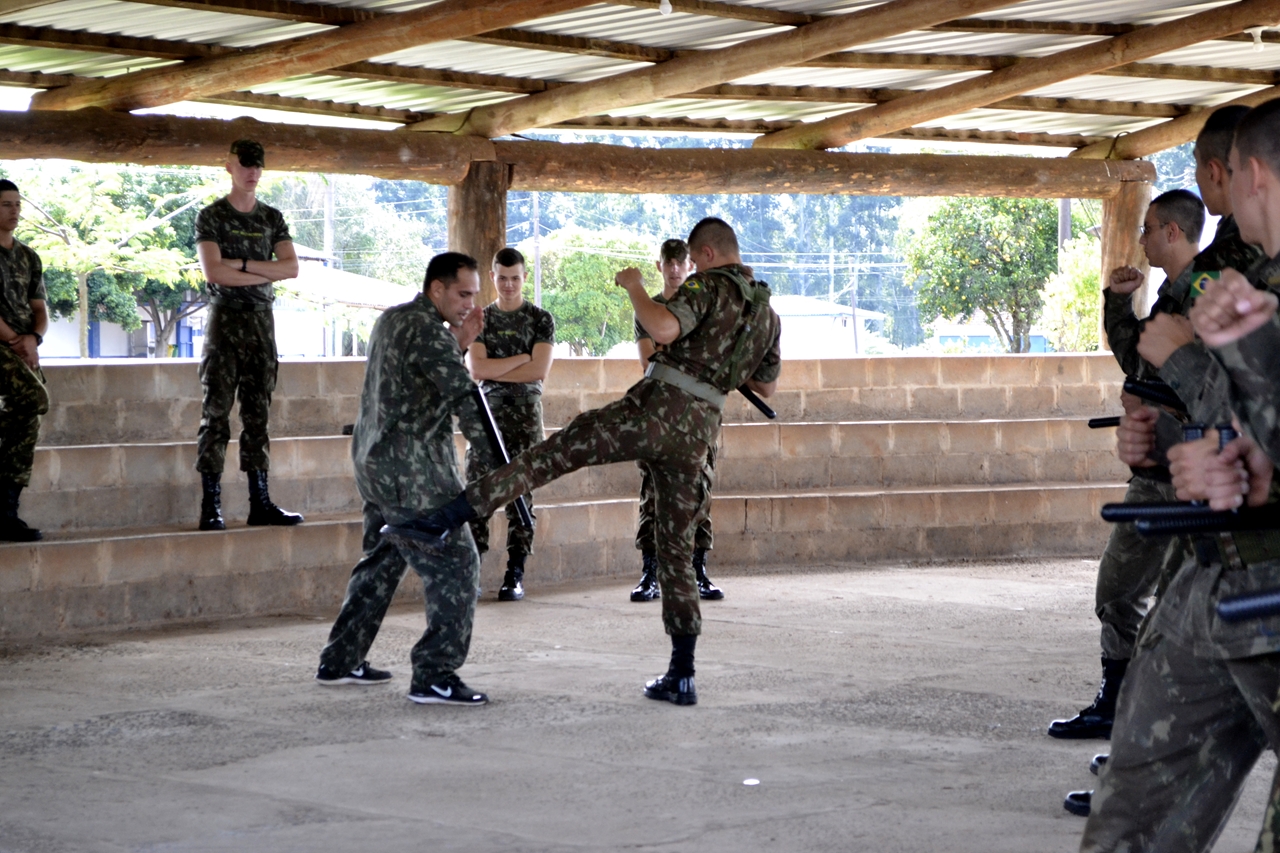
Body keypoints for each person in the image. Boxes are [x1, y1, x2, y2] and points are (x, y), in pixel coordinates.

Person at [383, 218, 781, 707]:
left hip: (657, 409)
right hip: (700, 432)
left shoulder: (708, 284)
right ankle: (682, 673)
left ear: (709, 254)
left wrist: (636, 287)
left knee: (557, 451)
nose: (693, 267)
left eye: (696, 260)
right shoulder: (767, 315)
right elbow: (765, 388)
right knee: (675, 546)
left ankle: (448, 518)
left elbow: (662, 326)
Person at [1080, 97, 1280, 852]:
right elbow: (1238, 414)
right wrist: (1176, 440)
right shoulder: (1240, 278)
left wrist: (1202, 380)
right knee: (1131, 821)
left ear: (1247, 174)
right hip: (1219, 578)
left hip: (1265, 580)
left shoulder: (1238, 285)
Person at [1050, 189, 1209, 747]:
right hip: (1159, 473)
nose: (1139, 240)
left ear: (1170, 232)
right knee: (1127, 594)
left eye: (1147, 229)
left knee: (1151, 601)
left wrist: (1157, 405)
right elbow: (1141, 362)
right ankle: (1123, 708)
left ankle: (1141, 716)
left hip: (1184, 478)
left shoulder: (1203, 297)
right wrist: (1120, 302)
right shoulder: (1172, 296)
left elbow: (1214, 389)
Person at [315, 252, 495, 706]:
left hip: (375, 464)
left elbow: (418, 377)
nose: (470, 305)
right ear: (436, 288)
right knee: (457, 563)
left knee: (381, 561)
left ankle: (340, 660)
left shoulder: (396, 321)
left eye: (475, 296)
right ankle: (434, 674)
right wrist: (502, 465)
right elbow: (463, 395)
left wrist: (459, 340)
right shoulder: (426, 331)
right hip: (412, 474)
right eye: (463, 294)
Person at [194, 139, 302, 532]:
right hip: (225, 320)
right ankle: (212, 504)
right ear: (229, 166)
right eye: (245, 165)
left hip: (261, 320)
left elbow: (290, 269)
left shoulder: (272, 217)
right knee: (216, 415)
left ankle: (260, 502)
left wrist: (239, 264)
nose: (252, 173)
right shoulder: (212, 216)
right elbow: (213, 273)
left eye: (258, 166)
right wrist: (262, 270)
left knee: (258, 415)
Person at [631, 237, 723, 603]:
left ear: (690, 266)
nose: (673, 269)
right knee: (652, 493)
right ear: (659, 267)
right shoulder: (648, 308)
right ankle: (649, 572)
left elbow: (708, 360)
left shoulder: (702, 306)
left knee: (700, 489)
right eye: (667, 263)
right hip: (657, 411)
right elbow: (648, 361)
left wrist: (671, 349)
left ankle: (698, 569)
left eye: (679, 262)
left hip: (698, 413)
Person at [465, 247, 555, 602]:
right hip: (488, 416)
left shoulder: (540, 318)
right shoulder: (479, 319)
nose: (508, 285)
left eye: (515, 278)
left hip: (526, 416)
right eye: (502, 278)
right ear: (492, 277)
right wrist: (521, 357)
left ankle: (514, 573)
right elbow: (477, 370)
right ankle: (471, 573)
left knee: (520, 496)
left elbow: (540, 371)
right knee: (478, 494)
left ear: (524, 278)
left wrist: (500, 365)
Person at [0, 179, 48, 542]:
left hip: (23, 347)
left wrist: (34, 338)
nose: (14, 210)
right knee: (32, 400)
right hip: (5, 345)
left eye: (17, 204)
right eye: (6, 204)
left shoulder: (29, 256)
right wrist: (16, 341)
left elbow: (39, 309)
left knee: (28, 416)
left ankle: (7, 510)